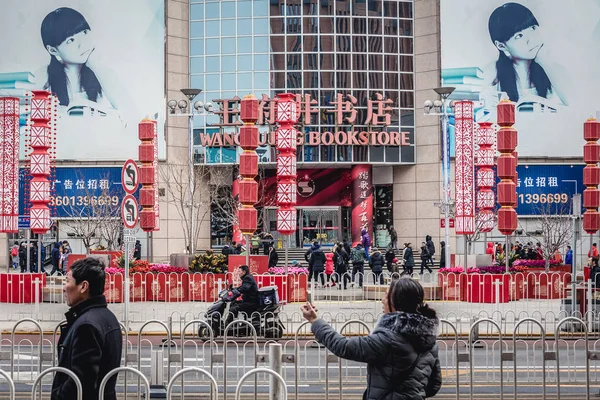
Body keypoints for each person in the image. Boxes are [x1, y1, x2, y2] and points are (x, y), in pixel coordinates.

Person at [300, 278, 441, 400]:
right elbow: (434, 385)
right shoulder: (430, 339)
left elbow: (343, 346)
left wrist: (314, 321)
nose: (382, 300)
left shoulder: (388, 340)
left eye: (386, 296)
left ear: (396, 303)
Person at [52, 257, 122, 400]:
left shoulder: (87, 326)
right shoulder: (107, 317)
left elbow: (80, 383)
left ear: (83, 286)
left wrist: (58, 396)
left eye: (67, 281)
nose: (64, 287)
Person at [487, 3, 567, 106]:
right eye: (519, 36)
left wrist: (545, 62)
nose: (531, 39)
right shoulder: (492, 73)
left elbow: (578, 107)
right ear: (501, 46)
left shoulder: (555, 70)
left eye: (533, 28)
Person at [40, 8, 119, 112]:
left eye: (85, 32)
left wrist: (95, 65)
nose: (83, 44)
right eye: (71, 40)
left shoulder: (103, 73)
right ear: (53, 50)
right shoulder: (43, 77)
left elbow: (130, 114)